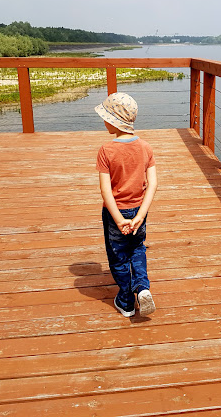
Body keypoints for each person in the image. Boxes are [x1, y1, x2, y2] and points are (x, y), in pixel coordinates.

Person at [95, 92, 158, 317]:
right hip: (139, 210)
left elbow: (105, 190)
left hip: (115, 214)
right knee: (137, 249)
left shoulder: (106, 150)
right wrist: (140, 215)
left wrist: (119, 219)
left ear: (112, 120)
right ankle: (142, 287)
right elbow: (152, 184)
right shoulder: (146, 147)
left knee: (118, 255)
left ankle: (126, 300)